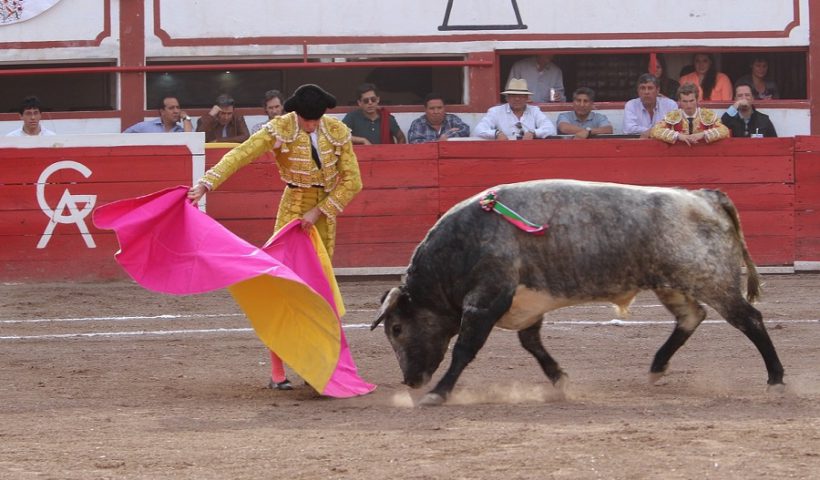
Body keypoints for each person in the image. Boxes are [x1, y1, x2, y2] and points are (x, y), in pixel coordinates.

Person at [187, 84, 362, 390]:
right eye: (307, 120)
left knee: (319, 292)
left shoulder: (336, 130)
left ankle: (316, 365)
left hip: (322, 219)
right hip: (292, 213)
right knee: (286, 290)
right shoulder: (279, 128)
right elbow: (241, 154)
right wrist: (206, 183)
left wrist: (320, 211)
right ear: (296, 114)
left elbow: (353, 182)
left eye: (316, 119)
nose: (312, 125)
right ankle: (278, 370)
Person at [474, 78, 556, 140]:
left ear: (527, 98)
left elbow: (551, 129)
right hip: (504, 152)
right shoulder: (495, 111)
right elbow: (478, 130)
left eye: (521, 96)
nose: (517, 99)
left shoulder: (534, 111)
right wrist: (496, 133)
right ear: (507, 98)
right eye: (513, 95)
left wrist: (534, 133)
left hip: (530, 151)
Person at [650, 83, 729, 145]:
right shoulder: (673, 116)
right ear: (680, 101)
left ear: (697, 100)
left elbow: (725, 131)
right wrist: (679, 136)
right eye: (685, 101)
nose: (688, 105)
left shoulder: (708, 115)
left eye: (691, 101)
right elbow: (654, 131)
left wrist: (702, 134)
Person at [342, 83, 406, 145]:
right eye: (366, 101)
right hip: (359, 155)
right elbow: (338, 135)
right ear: (359, 103)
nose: (370, 103)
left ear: (378, 99)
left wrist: (395, 153)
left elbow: (401, 138)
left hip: (384, 155)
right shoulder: (352, 117)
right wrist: (362, 140)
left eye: (373, 99)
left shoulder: (387, 118)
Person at [622, 73, 679, 138]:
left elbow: (674, 129)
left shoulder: (670, 105)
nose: (646, 92)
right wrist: (655, 131)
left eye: (650, 88)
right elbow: (628, 129)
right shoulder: (631, 105)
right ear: (638, 91)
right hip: (639, 145)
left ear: (657, 90)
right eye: (643, 88)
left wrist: (650, 132)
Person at [123, 96, 193, 133]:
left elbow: (191, 141)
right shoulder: (145, 126)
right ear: (162, 111)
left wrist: (186, 118)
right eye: (171, 108)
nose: (176, 111)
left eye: (178, 107)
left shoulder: (181, 131)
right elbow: (122, 138)